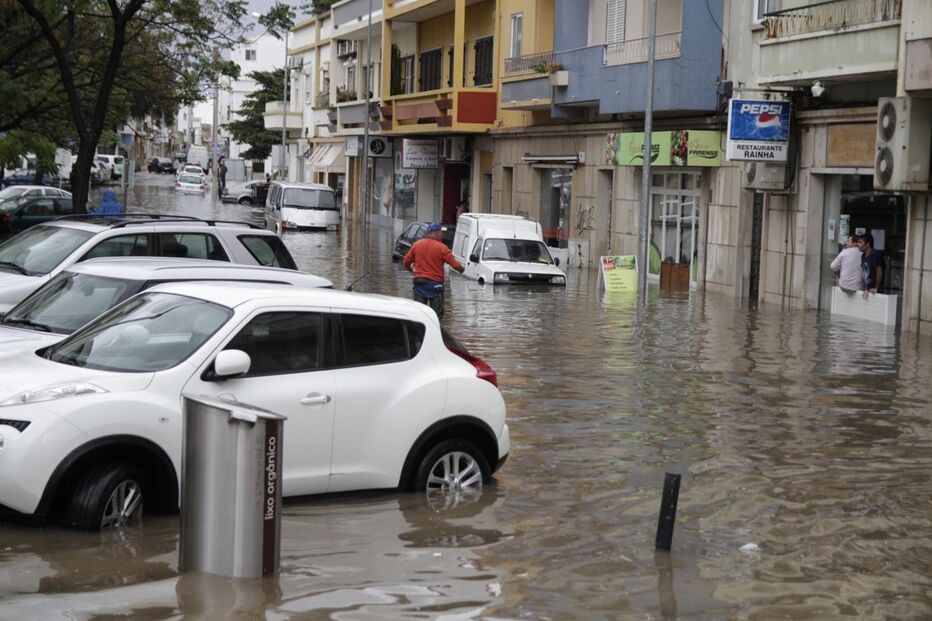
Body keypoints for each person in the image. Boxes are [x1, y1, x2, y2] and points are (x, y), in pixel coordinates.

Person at [403, 223, 464, 318]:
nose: (442, 234)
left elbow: (406, 261)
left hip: (419, 283)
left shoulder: (417, 245)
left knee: (419, 314)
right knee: (436, 316)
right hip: (435, 284)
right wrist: (462, 269)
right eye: (441, 232)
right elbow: (455, 265)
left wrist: (411, 270)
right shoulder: (442, 248)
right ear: (436, 233)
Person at [858, 232, 884, 299]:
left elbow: (879, 272)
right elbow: (864, 273)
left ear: (867, 244)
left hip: (875, 291)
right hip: (867, 290)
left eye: (860, 242)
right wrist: (866, 288)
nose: (858, 244)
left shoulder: (875, 254)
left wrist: (876, 288)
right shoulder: (863, 255)